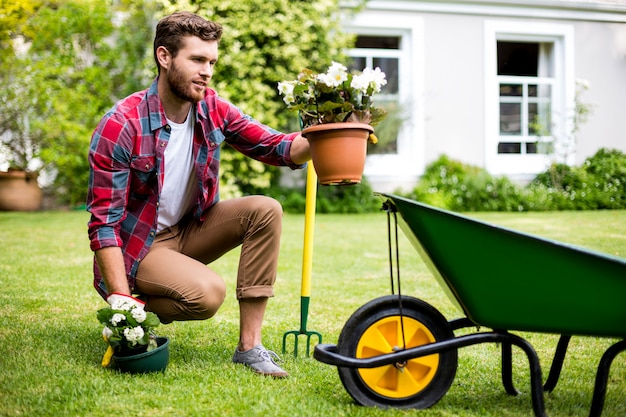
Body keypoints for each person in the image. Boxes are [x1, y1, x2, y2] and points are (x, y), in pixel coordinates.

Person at [86, 11, 311, 378]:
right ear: (164, 57)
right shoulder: (122, 124)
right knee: (207, 294)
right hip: (142, 246)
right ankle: (133, 307)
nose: (207, 71)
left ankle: (250, 348)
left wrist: (332, 132)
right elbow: (104, 224)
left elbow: (278, 148)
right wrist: (119, 299)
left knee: (265, 209)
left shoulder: (211, 107)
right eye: (197, 60)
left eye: (211, 62)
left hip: (189, 230)